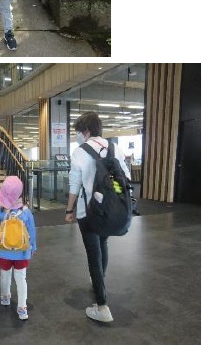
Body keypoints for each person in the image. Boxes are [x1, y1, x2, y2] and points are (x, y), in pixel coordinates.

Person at [65, 111, 132, 323]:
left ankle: (102, 306)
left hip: (89, 211)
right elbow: (126, 178)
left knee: (93, 254)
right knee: (103, 245)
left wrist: (69, 211)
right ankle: (99, 282)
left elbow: (74, 186)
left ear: (85, 131)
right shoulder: (115, 148)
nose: (78, 136)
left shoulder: (79, 152)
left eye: (78, 131)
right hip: (110, 209)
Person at [0, 176, 37, 321]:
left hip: (3, 252)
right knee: (21, 278)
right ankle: (22, 308)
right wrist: (33, 247)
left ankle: (5, 298)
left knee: (5, 275)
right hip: (21, 252)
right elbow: (31, 232)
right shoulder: (26, 212)